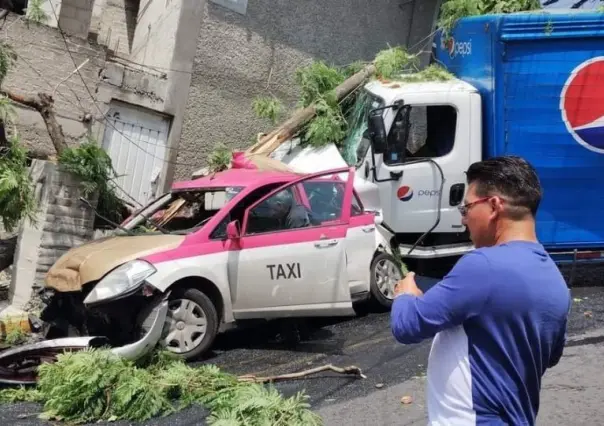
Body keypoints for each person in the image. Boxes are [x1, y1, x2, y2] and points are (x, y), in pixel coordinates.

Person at [390, 156, 571, 426]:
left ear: (494, 206)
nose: (464, 220)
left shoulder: (482, 266)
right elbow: (549, 356)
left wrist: (405, 293)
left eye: (466, 208)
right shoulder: (555, 280)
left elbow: (407, 325)